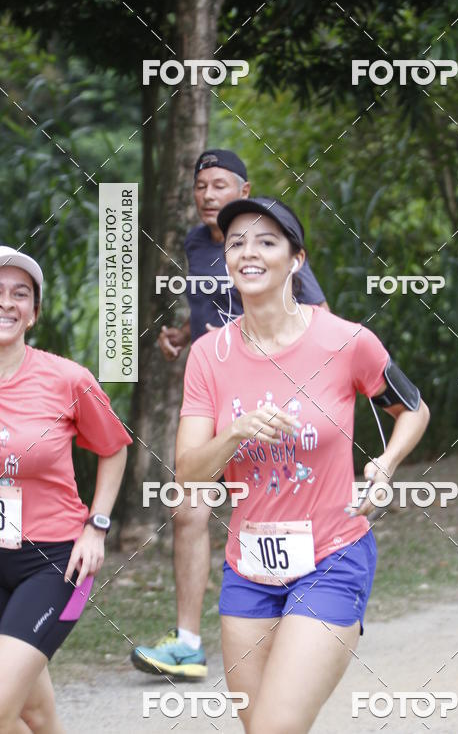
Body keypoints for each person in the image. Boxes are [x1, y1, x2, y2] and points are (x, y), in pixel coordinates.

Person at [174, 197, 430, 733]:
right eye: (237, 242)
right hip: (248, 570)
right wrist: (237, 431)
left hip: (332, 559)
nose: (248, 252)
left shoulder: (345, 340)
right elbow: (188, 473)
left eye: (266, 241)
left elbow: (412, 409)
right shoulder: (208, 355)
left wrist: (384, 464)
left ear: (296, 259)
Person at [132, 149, 327, 680]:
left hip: (270, 399)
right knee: (186, 506)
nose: (207, 195)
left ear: (243, 190)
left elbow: (319, 319)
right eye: (200, 186)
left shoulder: (268, 242)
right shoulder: (197, 244)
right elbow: (210, 315)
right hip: (215, 393)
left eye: (220, 185)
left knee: (279, 504)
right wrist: (182, 336)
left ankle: (313, 616)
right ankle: (189, 643)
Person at [0, 246, 131, 733]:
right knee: (31, 712)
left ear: (33, 313)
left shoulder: (66, 379)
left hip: (55, 561)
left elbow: (114, 448)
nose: (8, 303)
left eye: (20, 294)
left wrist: (96, 527)